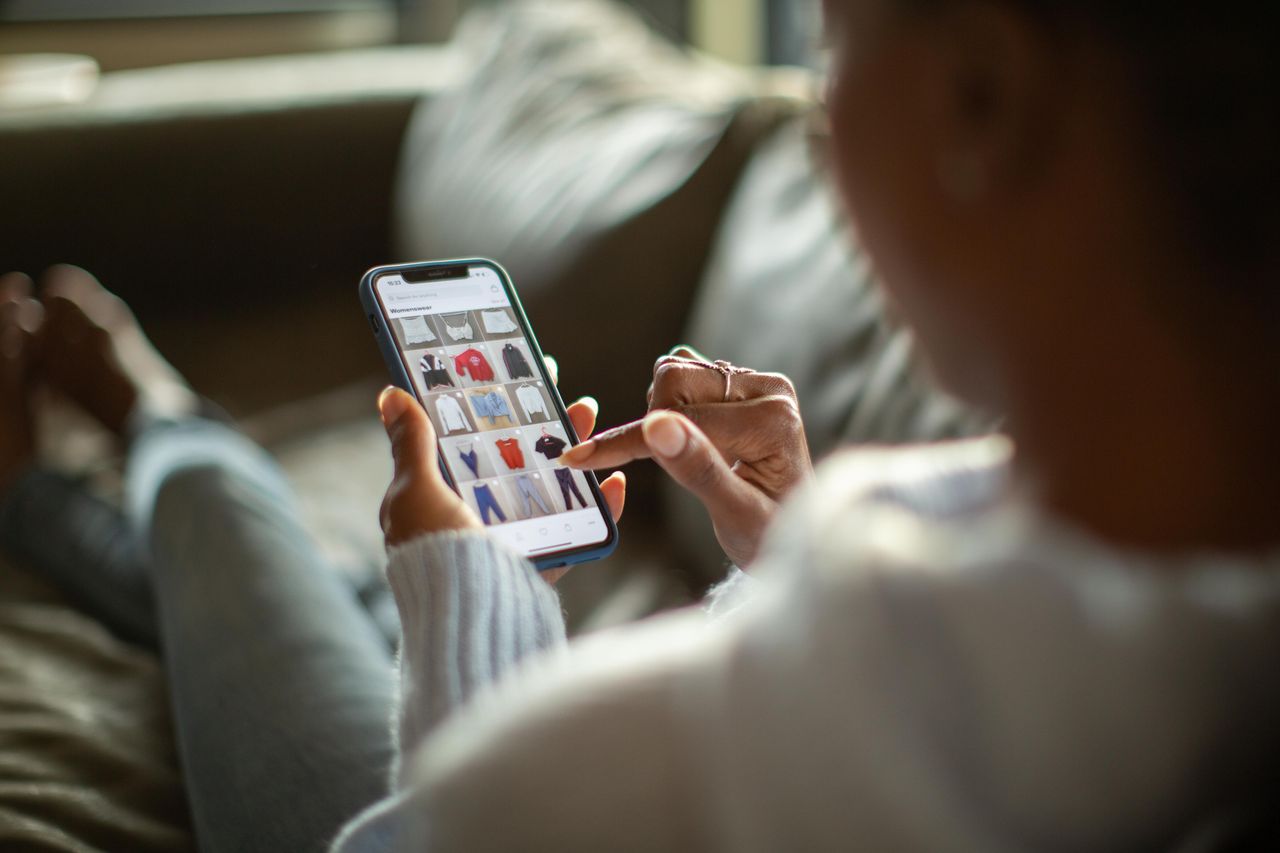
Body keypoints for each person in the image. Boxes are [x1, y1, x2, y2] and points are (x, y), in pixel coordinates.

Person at [3, 0, 1280, 850]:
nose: (819, 120)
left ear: (983, 93)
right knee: (312, 596)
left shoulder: (701, 748)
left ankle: (156, 429)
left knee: (256, 541)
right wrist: (779, 561)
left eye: (832, 47)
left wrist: (480, 593)